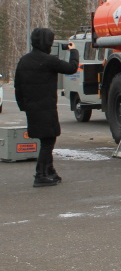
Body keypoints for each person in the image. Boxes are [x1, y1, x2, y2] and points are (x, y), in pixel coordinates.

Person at [14, 28, 79, 187]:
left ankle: (49, 171)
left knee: (47, 138)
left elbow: (18, 87)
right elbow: (71, 68)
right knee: (48, 140)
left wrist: (23, 106)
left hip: (32, 107)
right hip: (46, 107)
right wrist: (74, 51)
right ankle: (41, 174)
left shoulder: (24, 60)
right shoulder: (49, 60)